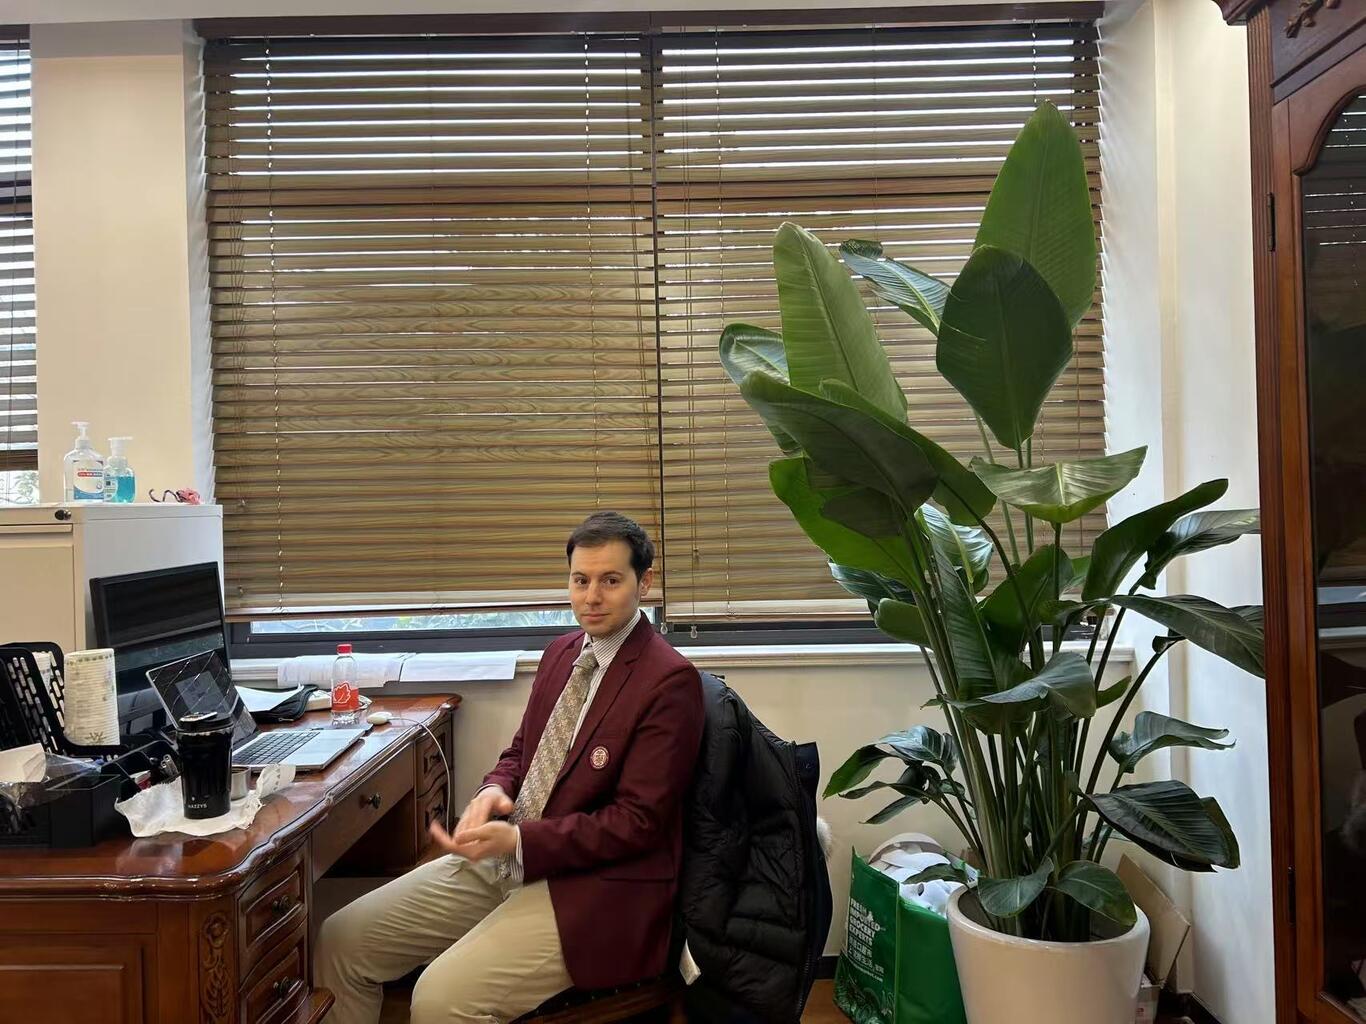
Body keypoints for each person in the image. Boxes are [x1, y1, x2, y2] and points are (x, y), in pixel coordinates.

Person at [315, 511, 705, 1024]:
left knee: (439, 1000)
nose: (591, 597)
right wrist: (491, 792)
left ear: (644, 582)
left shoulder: (670, 681)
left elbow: (638, 823)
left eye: (610, 581)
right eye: (580, 580)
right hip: (513, 856)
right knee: (341, 940)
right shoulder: (562, 652)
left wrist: (521, 841)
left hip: (596, 886)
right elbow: (521, 753)